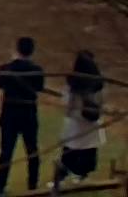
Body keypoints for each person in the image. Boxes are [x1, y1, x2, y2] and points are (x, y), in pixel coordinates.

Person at [0, 37, 45, 196]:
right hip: (28, 113)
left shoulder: (7, 68)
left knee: (6, 151)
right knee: (32, 150)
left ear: (17, 49)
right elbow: (39, 88)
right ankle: (33, 185)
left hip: (10, 113)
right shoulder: (37, 70)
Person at [50, 50, 105, 193]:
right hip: (90, 123)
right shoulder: (98, 82)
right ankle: (80, 176)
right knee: (85, 151)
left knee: (71, 151)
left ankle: (66, 177)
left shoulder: (74, 82)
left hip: (77, 121)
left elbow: (67, 102)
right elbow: (101, 102)